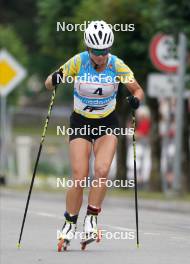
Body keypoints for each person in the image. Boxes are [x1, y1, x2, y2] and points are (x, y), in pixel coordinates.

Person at [45, 20, 144, 250]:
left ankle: (92, 217)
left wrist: (136, 99)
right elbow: (48, 84)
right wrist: (55, 79)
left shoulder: (116, 65)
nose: (101, 56)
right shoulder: (78, 62)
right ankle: (69, 222)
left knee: (101, 170)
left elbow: (137, 89)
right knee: (79, 175)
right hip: (80, 121)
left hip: (107, 123)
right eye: (96, 52)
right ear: (89, 48)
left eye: (105, 51)